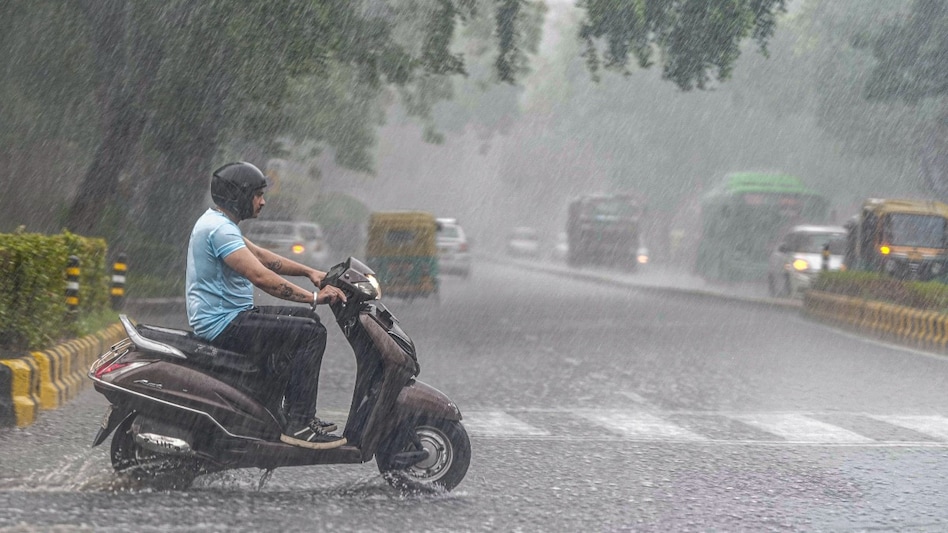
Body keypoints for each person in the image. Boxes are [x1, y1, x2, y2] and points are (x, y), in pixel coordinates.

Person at [186, 161, 348, 450]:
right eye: (258, 194)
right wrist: (313, 297)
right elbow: (261, 276)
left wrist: (310, 272)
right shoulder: (219, 231)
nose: (263, 201)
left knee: (308, 322)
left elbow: (262, 256)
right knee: (310, 334)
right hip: (224, 324)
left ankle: (281, 414)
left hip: (231, 318)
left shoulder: (220, 223)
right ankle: (299, 423)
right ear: (239, 195)